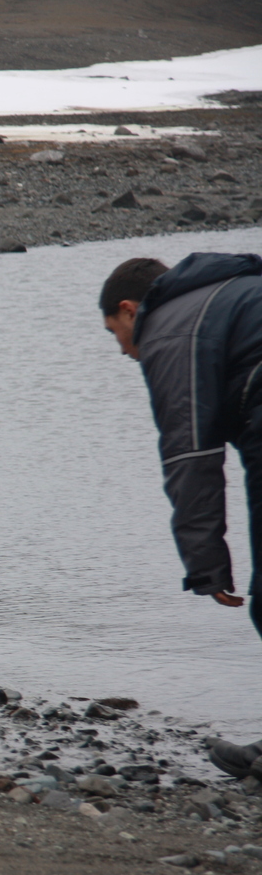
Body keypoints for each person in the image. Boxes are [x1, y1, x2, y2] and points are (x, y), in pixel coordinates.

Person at [99, 252, 262, 638]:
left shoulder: (168, 330)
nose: (122, 349)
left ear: (129, 310)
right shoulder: (236, 290)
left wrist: (206, 568)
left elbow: (190, 455)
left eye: (113, 332)